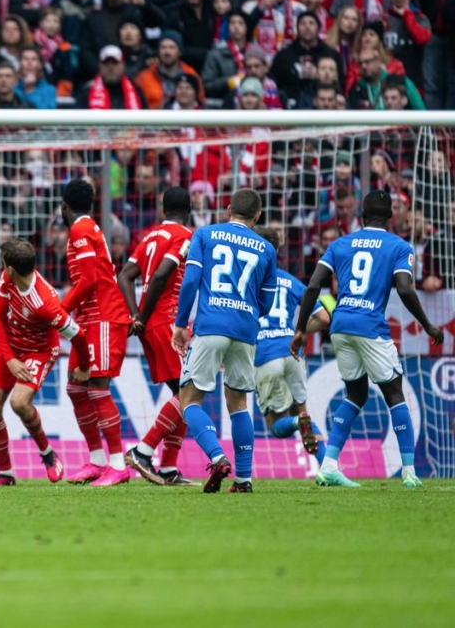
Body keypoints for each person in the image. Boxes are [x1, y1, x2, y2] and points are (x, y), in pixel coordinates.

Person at [290, 190, 445, 488]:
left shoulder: (339, 244)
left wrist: (300, 329)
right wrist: (427, 324)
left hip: (340, 325)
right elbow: (405, 287)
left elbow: (313, 287)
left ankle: (330, 465)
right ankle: (410, 472)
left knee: (356, 394)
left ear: (362, 214)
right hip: (370, 326)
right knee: (394, 394)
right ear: (390, 217)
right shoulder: (399, 246)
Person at [172, 188, 278, 493]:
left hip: (210, 325)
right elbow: (267, 304)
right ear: (257, 217)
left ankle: (217, 457)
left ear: (228, 208)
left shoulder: (204, 235)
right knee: (239, 404)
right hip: (246, 331)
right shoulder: (266, 249)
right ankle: (243, 480)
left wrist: (180, 324)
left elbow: (191, 281)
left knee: (189, 400)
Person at [0, 238, 90, 486]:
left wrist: (84, 367)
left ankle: (48, 454)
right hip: (9, 347)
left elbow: (78, 335)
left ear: (10, 268)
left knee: (19, 403)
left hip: (38, 351)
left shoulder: (45, 304)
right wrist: (9, 359)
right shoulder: (7, 278)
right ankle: (5, 473)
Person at [116, 187, 194, 486]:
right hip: (165, 321)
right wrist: (143, 317)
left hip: (152, 323)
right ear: (188, 208)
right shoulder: (185, 236)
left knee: (184, 393)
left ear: (163, 209)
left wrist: (136, 315)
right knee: (190, 391)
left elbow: (124, 275)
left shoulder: (149, 236)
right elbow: (162, 275)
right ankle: (143, 451)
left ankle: (170, 468)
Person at [60, 179, 133, 487]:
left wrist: (59, 309)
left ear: (64, 207)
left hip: (103, 315)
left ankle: (118, 464)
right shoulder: (88, 228)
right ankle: (98, 460)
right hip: (89, 318)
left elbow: (89, 279)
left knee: (98, 387)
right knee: (76, 388)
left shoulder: (79, 229)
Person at [251, 227, 331, 473]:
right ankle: (327, 468)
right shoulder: (288, 279)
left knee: (276, 425)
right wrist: (299, 332)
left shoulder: (246, 281)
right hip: (292, 352)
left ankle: (297, 422)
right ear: (277, 251)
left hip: (264, 355)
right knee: (303, 409)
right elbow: (324, 318)